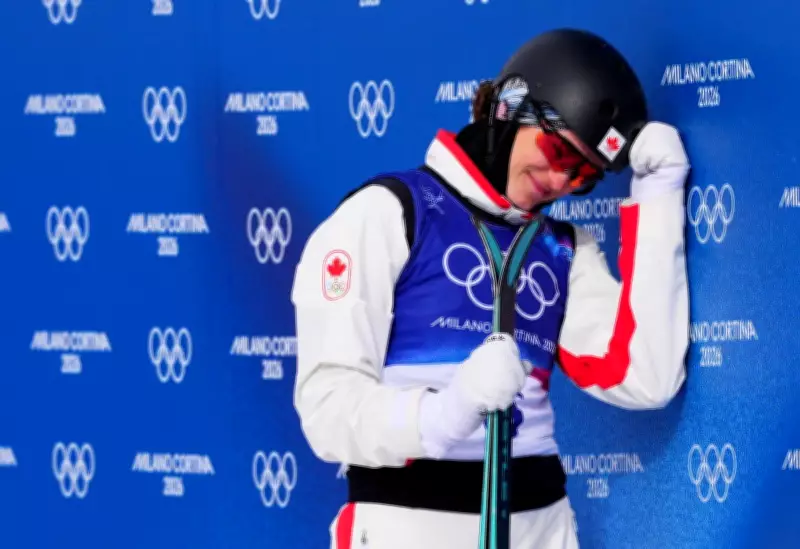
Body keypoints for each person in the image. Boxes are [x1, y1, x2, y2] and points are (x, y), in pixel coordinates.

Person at [290, 28, 690, 549]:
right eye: (556, 151)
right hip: (408, 526)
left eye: (585, 176)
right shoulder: (390, 213)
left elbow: (647, 375)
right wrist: (445, 412)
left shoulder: (563, 250)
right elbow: (327, 409)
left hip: (539, 527)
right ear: (510, 107)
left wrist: (658, 195)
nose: (561, 180)